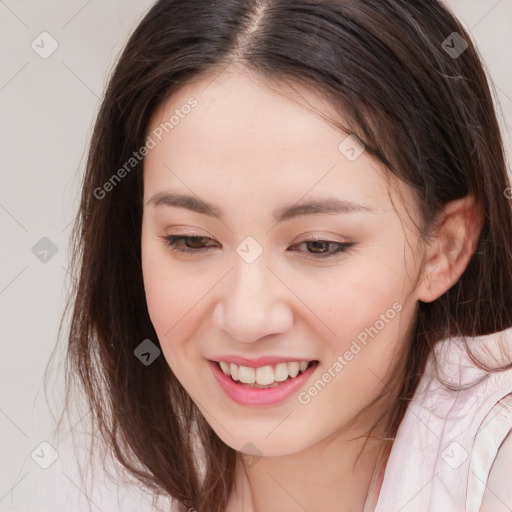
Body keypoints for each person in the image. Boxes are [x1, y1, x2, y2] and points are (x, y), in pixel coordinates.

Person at [56, 1, 512, 510]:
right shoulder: (107, 481)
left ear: (443, 250)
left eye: (319, 245)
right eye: (190, 240)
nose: (248, 318)